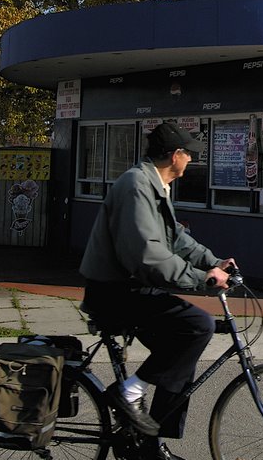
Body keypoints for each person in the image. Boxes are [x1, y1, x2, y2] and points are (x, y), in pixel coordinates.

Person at [80, 121, 236, 460]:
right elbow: (149, 257)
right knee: (198, 326)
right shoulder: (137, 186)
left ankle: (148, 444)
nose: (192, 160)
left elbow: (176, 239)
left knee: (183, 352)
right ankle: (129, 391)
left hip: (130, 289)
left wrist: (215, 262)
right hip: (114, 292)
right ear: (175, 155)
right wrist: (201, 280)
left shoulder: (155, 184)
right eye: (189, 154)